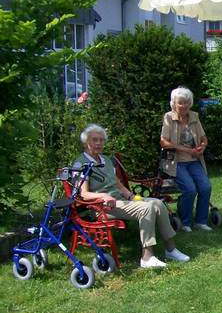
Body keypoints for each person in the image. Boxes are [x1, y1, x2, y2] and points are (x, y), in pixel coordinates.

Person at [75, 124, 190, 268]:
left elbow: (117, 183)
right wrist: (103, 196)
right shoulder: (81, 164)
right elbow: (83, 194)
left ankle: (171, 249)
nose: (98, 143)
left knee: (158, 204)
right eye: (94, 140)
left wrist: (129, 196)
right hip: (102, 207)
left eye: (101, 140)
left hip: (119, 201)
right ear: (86, 142)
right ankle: (147, 257)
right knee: (146, 209)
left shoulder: (105, 160)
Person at [160, 87, 212, 233]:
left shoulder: (194, 117)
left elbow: (203, 138)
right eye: (180, 103)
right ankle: (185, 222)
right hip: (176, 161)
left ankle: (201, 221)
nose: (184, 106)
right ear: (174, 104)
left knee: (205, 187)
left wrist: (201, 147)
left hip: (194, 160)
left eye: (186, 103)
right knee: (189, 189)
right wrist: (187, 150)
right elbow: (164, 142)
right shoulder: (169, 117)